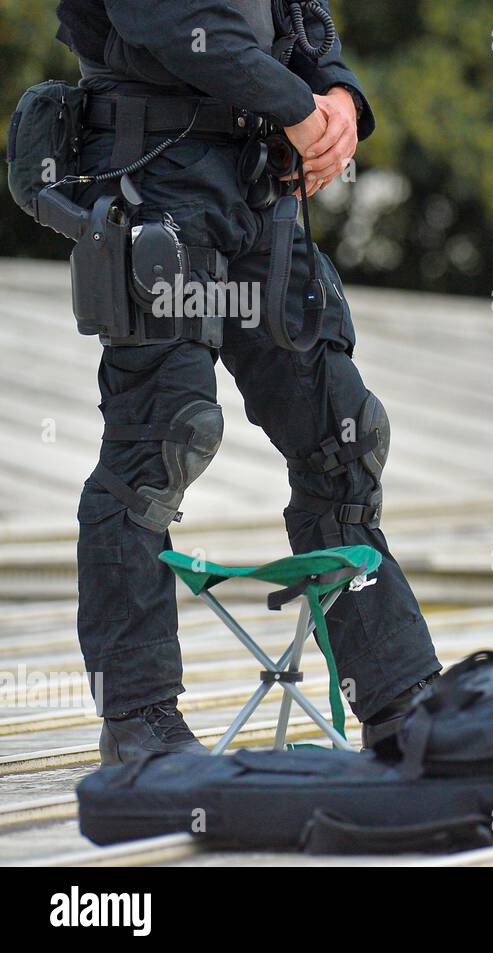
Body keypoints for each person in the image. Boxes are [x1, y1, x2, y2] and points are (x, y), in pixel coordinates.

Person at [49, 0, 441, 762]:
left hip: (261, 186)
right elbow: (178, 21)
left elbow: (301, 15)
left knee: (343, 438)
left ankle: (397, 697)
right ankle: (137, 720)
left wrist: (341, 100)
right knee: (161, 444)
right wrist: (297, 106)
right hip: (156, 179)